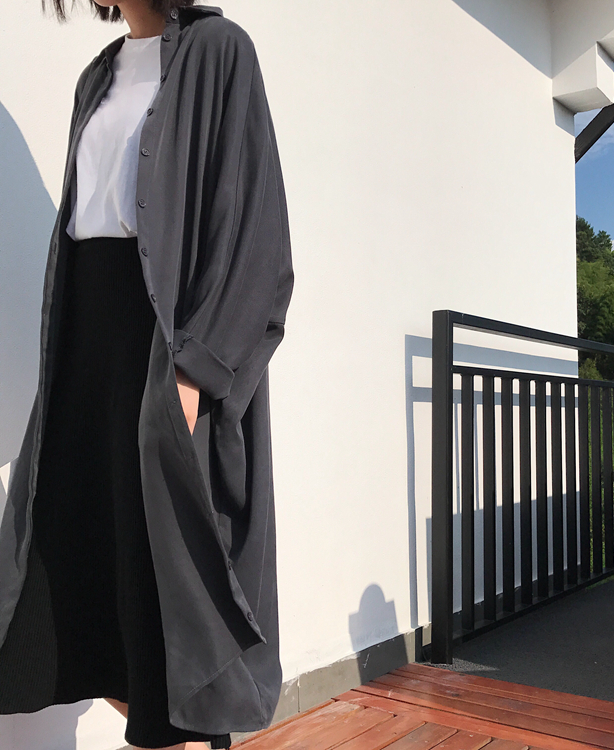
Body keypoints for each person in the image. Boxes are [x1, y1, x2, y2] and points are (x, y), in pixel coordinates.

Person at [0, 1, 294, 749]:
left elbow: (255, 233)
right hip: (84, 349)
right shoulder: (95, 77)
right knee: (86, 594)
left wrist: (195, 374)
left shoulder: (219, 50)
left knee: (167, 598)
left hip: (162, 345)